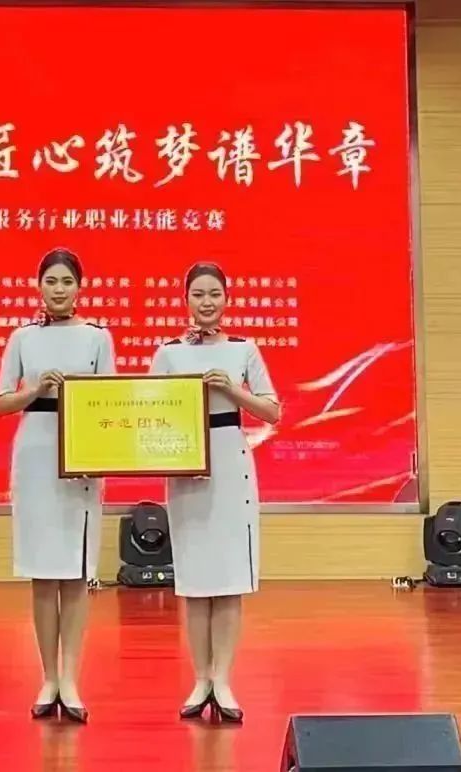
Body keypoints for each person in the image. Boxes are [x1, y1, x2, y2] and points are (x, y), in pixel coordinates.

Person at [149, 261, 279, 724]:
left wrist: (233, 391)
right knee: (195, 580)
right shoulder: (168, 353)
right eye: (198, 294)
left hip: (230, 463)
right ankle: (200, 678)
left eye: (214, 294)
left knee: (228, 580)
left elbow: (272, 411)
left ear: (226, 298)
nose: (206, 302)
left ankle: (223, 679)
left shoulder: (244, 349)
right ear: (186, 299)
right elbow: (147, 412)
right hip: (185, 467)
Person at [0, 248, 115, 724]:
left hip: (82, 458)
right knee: (44, 572)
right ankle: (47, 676)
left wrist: (96, 457)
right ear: (39, 286)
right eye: (51, 281)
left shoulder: (97, 337)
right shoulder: (22, 337)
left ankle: (71, 677)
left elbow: (108, 402)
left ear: (79, 287)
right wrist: (36, 390)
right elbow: (2, 402)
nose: (59, 289)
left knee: (76, 572)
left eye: (67, 281)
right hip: (36, 454)